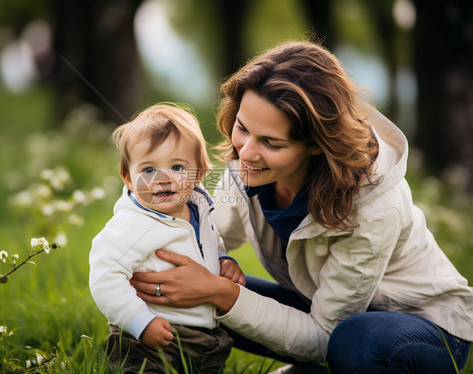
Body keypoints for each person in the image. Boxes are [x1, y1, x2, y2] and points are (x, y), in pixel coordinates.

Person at [129, 41, 473, 373]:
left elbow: (326, 334)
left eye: (271, 142)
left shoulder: (374, 206)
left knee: (354, 342)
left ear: (315, 145)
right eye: (243, 128)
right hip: (327, 314)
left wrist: (221, 291)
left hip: (421, 331)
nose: (245, 152)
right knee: (173, 284)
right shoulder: (248, 168)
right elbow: (204, 232)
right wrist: (211, 261)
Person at [89, 103, 244, 373]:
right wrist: (140, 321)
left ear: (200, 173)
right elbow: (105, 276)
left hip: (205, 339)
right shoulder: (131, 224)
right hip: (149, 338)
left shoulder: (199, 210)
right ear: (128, 178)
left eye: (177, 167)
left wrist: (223, 260)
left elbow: (207, 244)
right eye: (148, 170)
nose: (163, 178)